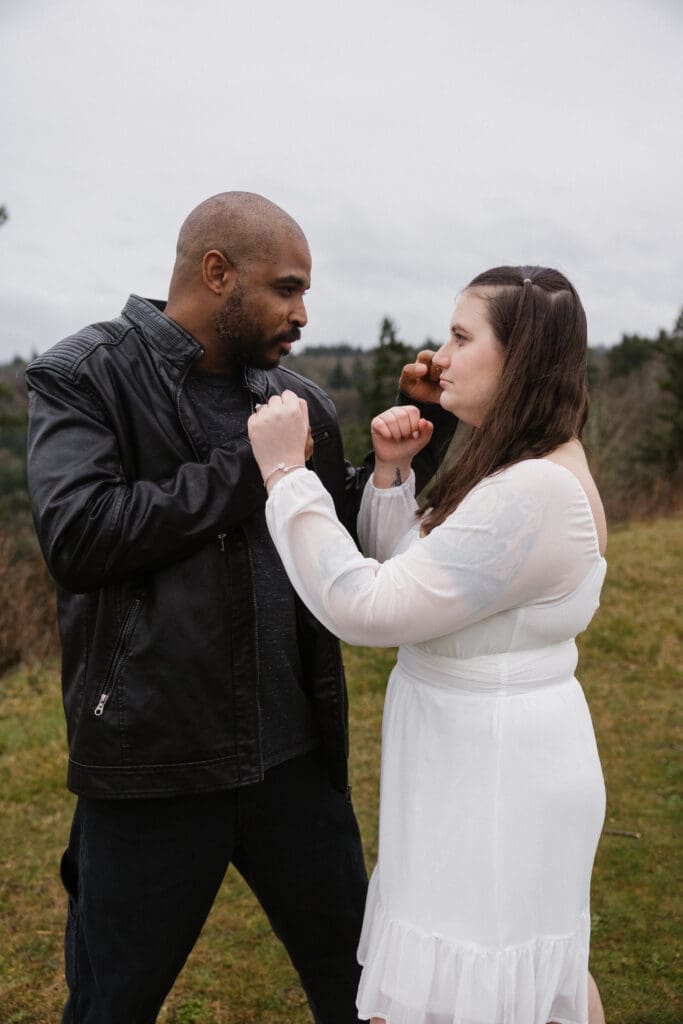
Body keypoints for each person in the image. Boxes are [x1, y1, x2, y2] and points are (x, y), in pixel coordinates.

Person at [25, 191, 455, 1024]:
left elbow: (334, 540)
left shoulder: (299, 401)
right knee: (110, 1007)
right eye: (285, 289)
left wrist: (412, 436)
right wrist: (251, 467)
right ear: (216, 273)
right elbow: (80, 538)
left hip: (292, 764)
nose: (302, 312)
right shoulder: (83, 375)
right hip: (152, 764)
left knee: (368, 997)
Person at [247, 265, 608, 1024]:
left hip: (496, 778)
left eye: (459, 336)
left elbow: (369, 607)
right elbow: (414, 578)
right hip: (462, 763)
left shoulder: (532, 492)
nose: (437, 356)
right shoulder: (507, 463)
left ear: (519, 358)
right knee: (504, 982)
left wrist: (286, 475)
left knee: (484, 982)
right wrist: (391, 474)